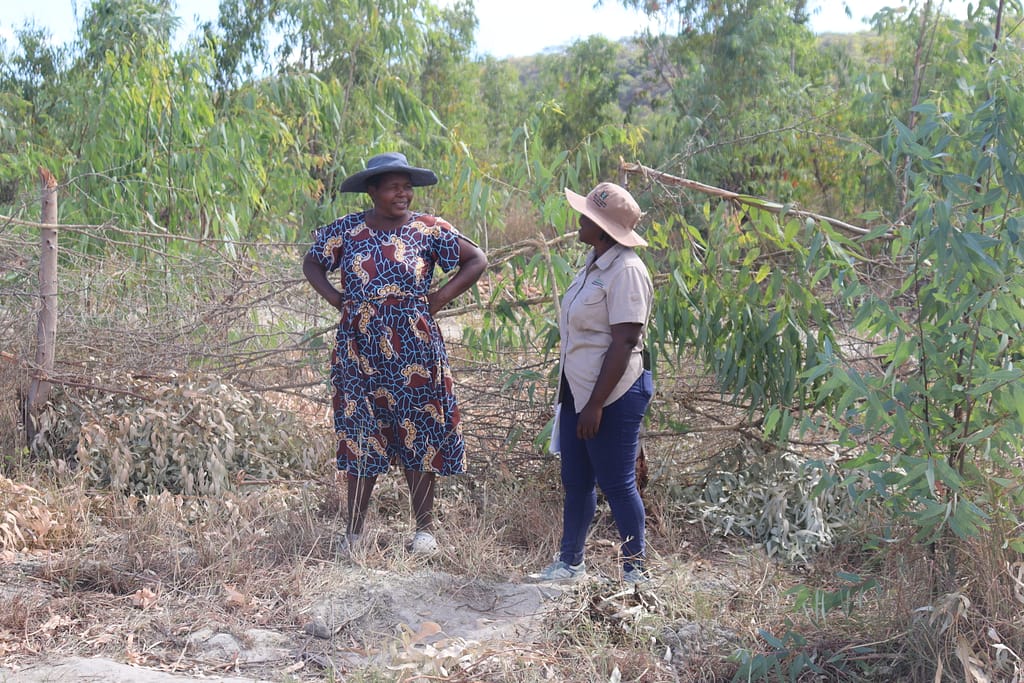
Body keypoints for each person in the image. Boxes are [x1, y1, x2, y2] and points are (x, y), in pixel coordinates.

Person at [302, 151, 487, 555]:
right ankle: (353, 534)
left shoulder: (429, 229)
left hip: (415, 347)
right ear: (372, 191)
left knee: (417, 427)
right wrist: (337, 299)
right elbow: (312, 262)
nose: (403, 194)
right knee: (360, 431)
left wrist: (437, 299)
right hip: (359, 347)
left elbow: (476, 260)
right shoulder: (348, 231)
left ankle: (423, 532)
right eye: (393, 187)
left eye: (407, 186)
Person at [531, 181, 654, 584]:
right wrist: (581, 401)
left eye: (587, 215)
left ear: (604, 229)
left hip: (613, 392)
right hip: (577, 387)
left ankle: (636, 571)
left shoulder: (628, 271)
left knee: (617, 483)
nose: (579, 218)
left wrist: (596, 404)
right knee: (577, 480)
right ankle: (570, 563)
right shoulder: (594, 261)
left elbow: (624, 341)